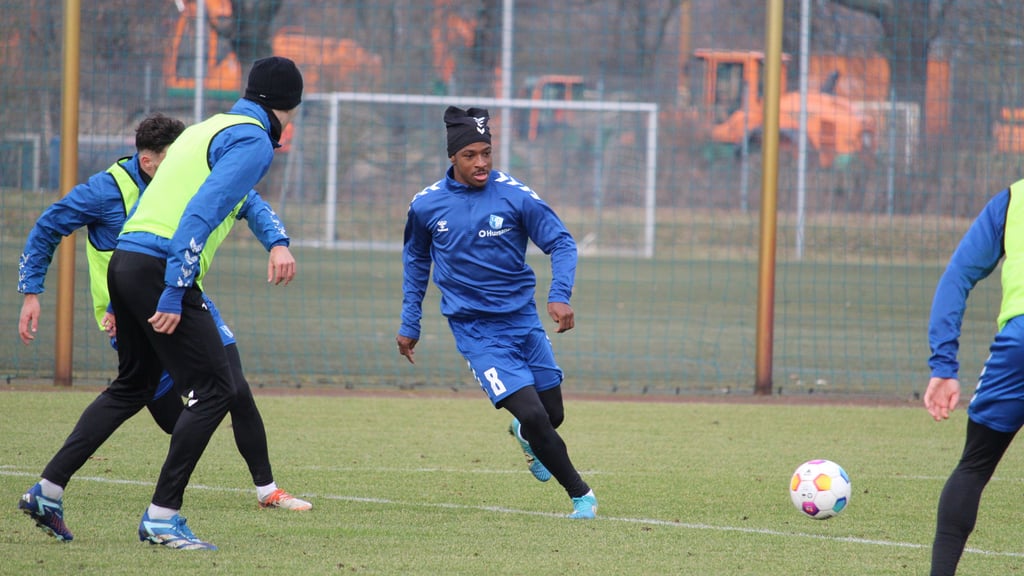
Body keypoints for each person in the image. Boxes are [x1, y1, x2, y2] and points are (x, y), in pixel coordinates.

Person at [31, 56, 301, 551]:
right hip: (161, 267)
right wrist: (175, 289)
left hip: (126, 260)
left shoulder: (207, 128)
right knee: (218, 389)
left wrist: (274, 239)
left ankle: (47, 490)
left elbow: (230, 202)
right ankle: (162, 516)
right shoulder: (255, 139)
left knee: (132, 386)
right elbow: (201, 212)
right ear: (288, 109)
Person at [395, 105, 597, 519]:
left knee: (551, 415)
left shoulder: (515, 195)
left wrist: (559, 295)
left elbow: (562, 243)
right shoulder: (426, 205)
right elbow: (416, 261)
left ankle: (526, 436)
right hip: (476, 331)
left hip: (522, 320)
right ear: (453, 157)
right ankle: (582, 496)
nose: (481, 162)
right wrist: (409, 321)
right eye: (470, 155)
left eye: (486, 152)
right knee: (536, 416)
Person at [925, 180, 1024, 574]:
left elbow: (957, 276)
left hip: (1019, 346)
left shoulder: (1014, 198)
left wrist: (943, 366)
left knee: (975, 465)